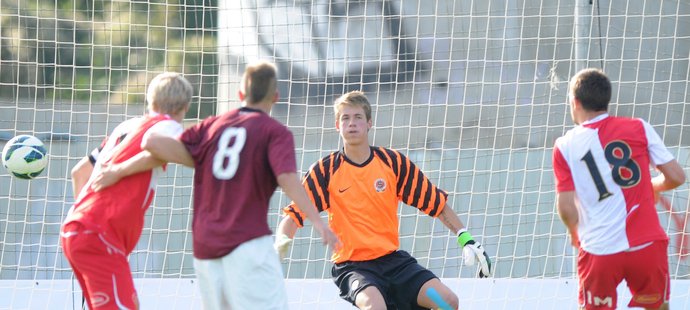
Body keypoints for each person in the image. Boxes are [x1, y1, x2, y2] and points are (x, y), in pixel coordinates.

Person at [96, 60, 340, 310]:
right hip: (248, 242)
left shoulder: (212, 125)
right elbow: (287, 178)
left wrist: (118, 170)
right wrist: (318, 223)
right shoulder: (274, 132)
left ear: (240, 94)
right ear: (275, 96)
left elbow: (151, 141)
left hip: (206, 247)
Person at [274, 90, 492, 310]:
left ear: (369, 123)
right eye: (345, 118)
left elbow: (436, 203)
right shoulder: (325, 170)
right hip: (353, 268)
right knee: (375, 306)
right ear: (337, 125)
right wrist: (280, 245)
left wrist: (465, 237)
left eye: (358, 117)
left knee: (446, 302)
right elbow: (294, 215)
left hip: (395, 265)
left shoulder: (393, 163)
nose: (352, 123)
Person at [552, 68, 686, 310]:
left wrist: (574, 232)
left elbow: (566, 207)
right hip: (646, 246)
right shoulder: (639, 127)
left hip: (600, 250)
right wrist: (654, 185)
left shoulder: (565, 145)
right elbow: (677, 176)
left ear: (575, 102)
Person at [61, 72, 193, 309]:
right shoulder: (168, 127)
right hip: (99, 234)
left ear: (150, 101)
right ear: (185, 107)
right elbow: (166, 149)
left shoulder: (126, 126)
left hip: (78, 228)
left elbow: (79, 173)